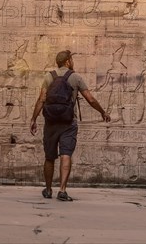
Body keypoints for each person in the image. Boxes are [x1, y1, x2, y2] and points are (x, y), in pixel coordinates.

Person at [30, 50, 110, 201]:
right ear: (67, 61)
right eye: (71, 59)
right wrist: (102, 112)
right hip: (68, 122)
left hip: (51, 123)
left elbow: (41, 99)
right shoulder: (75, 77)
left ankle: (47, 190)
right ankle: (62, 190)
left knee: (49, 157)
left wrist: (33, 119)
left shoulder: (49, 77)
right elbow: (90, 99)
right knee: (66, 154)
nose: (73, 62)